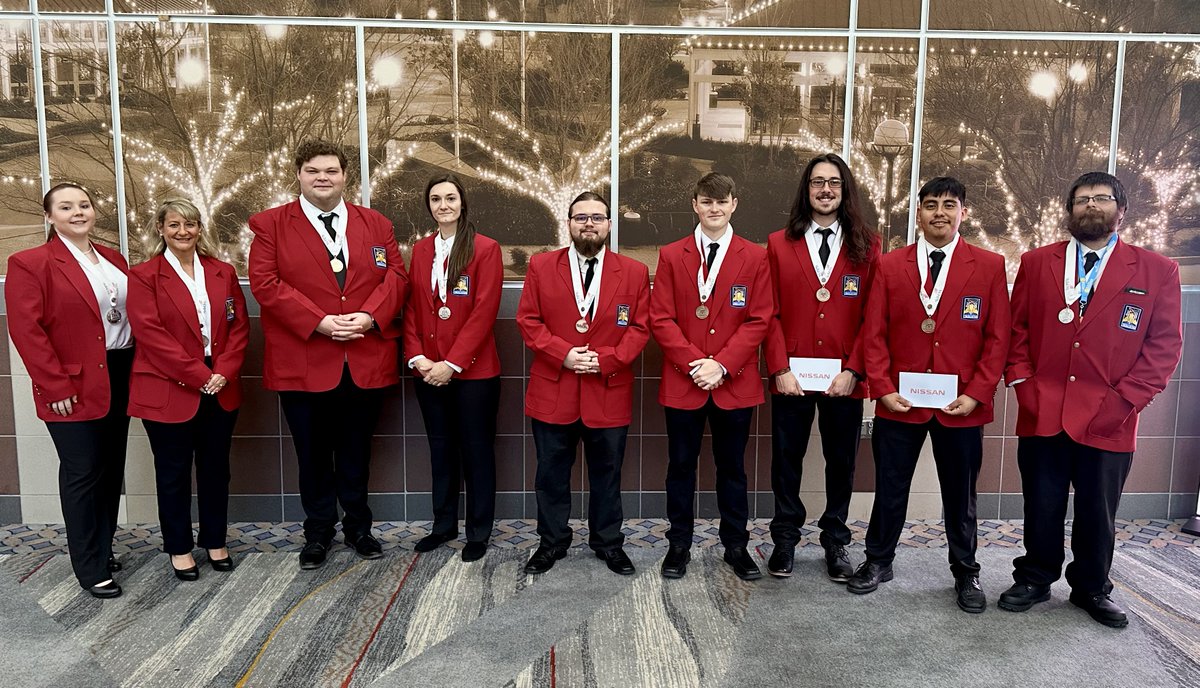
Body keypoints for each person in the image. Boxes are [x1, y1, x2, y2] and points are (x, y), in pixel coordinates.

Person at [998, 172, 1182, 628]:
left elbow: (1164, 347)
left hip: (1111, 415)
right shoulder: (1037, 262)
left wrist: (1127, 402)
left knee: (1099, 512)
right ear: (1070, 210)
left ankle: (1091, 588)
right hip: (1043, 411)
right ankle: (1036, 576)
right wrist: (1023, 386)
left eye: (1102, 198)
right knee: (1041, 503)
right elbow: (1015, 332)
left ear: (1122, 211)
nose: (1091, 206)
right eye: (1081, 200)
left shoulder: (1157, 271)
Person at [849, 176, 1010, 614]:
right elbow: (874, 333)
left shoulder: (990, 265)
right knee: (890, 488)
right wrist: (880, 389)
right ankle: (878, 561)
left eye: (949, 204)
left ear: (964, 212)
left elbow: (998, 339)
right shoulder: (890, 265)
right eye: (931, 204)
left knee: (961, 495)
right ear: (917, 212)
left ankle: (966, 570)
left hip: (962, 407)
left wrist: (977, 394)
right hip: (900, 403)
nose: (940, 212)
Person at [248, 140, 408, 570]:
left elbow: (396, 276)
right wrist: (317, 320)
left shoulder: (375, 223)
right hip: (303, 361)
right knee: (313, 454)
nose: (323, 177)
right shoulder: (270, 225)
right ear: (298, 174)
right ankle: (318, 532)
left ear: (345, 176)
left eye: (332, 170)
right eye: (313, 170)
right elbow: (265, 284)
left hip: (363, 357)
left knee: (356, 452)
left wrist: (371, 316)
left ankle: (359, 528)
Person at [5, 183, 133, 599]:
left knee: (112, 468)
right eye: (66, 207)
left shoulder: (114, 259)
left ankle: (102, 546)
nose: (78, 212)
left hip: (120, 372)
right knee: (82, 471)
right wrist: (53, 383)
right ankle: (88, 565)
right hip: (70, 381)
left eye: (85, 203)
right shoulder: (30, 263)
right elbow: (27, 330)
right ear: (49, 217)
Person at [516, 191, 651, 576]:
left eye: (597, 217)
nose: (588, 223)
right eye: (581, 217)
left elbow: (640, 329)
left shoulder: (635, 272)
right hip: (553, 388)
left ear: (609, 224)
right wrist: (564, 354)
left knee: (607, 475)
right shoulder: (542, 266)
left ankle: (608, 543)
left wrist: (605, 360)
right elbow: (528, 321)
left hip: (607, 390)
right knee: (551, 474)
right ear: (569, 223)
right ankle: (552, 542)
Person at [649, 172, 773, 581]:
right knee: (680, 467)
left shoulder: (755, 257)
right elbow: (661, 318)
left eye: (721, 202)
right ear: (695, 205)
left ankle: (736, 545)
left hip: (732, 382)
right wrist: (693, 364)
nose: (714, 208)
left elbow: (759, 319)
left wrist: (720, 364)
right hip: (684, 381)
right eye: (706, 201)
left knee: (732, 468)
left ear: (734, 204)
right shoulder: (671, 254)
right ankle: (678, 545)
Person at [765, 153, 881, 580]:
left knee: (841, 463)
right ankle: (785, 540)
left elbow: (874, 316)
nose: (826, 189)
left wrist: (854, 370)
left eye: (834, 182)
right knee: (786, 461)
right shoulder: (779, 244)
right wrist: (779, 369)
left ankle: (835, 541)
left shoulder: (869, 244)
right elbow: (768, 312)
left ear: (845, 189)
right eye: (817, 182)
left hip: (843, 379)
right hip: (791, 378)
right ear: (806, 190)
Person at [127, 199, 249, 581]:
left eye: (191, 224)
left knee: (216, 470)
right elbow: (150, 335)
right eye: (175, 224)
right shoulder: (145, 275)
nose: (183, 231)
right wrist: (198, 374)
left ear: (200, 228)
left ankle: (215, 540)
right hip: (169, 385)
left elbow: (239, 327)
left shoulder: (222, 271)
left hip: (220, 383)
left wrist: (224, 371)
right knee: (173, 472)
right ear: (161, 229)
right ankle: (179, 546)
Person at [404, 174, 502, 562]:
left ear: (463, 203)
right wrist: (418, 358)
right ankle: (443, 526)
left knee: (476, 452)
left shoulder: (485, 248)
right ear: (428, 206)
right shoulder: (421, 249)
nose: (443, 205)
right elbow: (411, 307)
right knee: (441, 451)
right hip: (428, 370)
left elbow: (484, 311)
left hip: (473, 372)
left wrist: (453, 363)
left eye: (450, 198)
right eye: (435, 199)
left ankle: (478, 532)